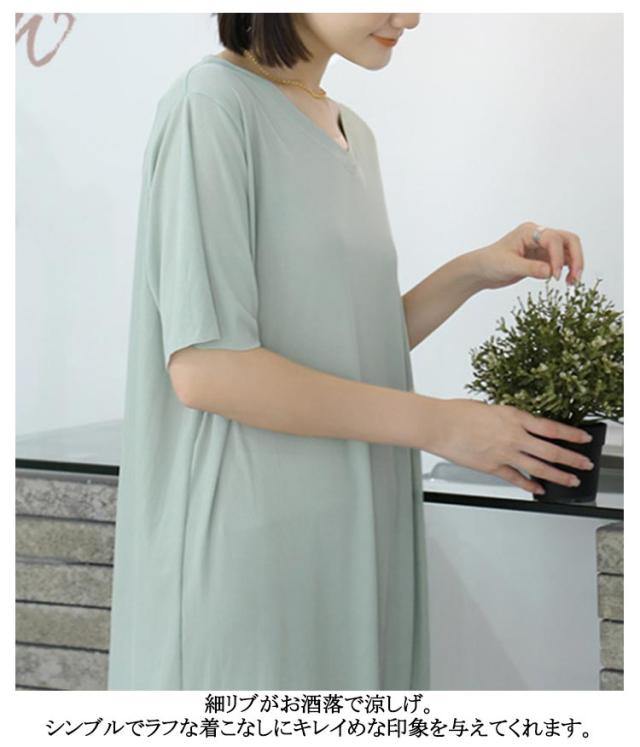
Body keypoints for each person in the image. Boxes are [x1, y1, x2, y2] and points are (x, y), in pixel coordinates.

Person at [107, 12, 594, 691]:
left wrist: (475, 270)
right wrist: (443, 424)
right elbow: (210, 370)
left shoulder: (351, 131)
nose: (410, 15)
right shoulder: (210, 107)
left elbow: (346, 342)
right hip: (254, 547)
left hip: (358, 530)